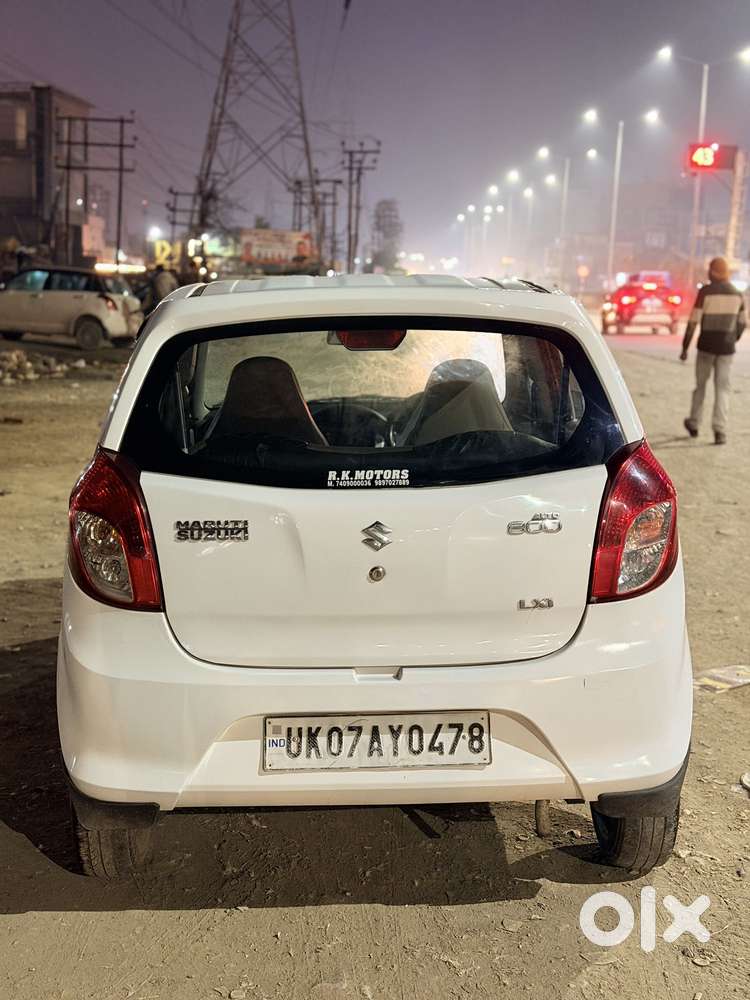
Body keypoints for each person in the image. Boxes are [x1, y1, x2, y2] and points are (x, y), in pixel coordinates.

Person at [681, 256, 745, 445]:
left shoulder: (705, 292)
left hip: (706, 348)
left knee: (700, 386)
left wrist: (685, 347)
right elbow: (742, 323)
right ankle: (720, 431)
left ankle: (694, 423)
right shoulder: (737, 294)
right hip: (726, 350)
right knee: (723, 388)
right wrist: (731, 339)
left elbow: (693, 321)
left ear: (714, 272)